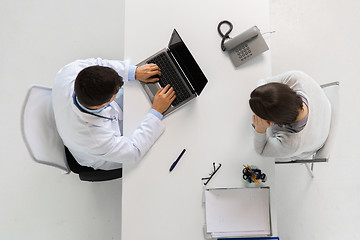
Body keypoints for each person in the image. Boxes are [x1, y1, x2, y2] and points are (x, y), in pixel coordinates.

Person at [52, 58, 176, 170]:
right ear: (102, 104)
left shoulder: (69, 71)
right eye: (116, 92)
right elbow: (133, 151)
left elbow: (99, 64)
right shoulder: (95, 138)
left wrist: (135, 72)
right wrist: (156, 111)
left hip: (75, 128)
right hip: (100, 155)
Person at [249, 71, 331, 161]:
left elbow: (261, 150)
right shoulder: (297, 78)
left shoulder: (292, 143)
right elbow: (263, 81)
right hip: (322, 108)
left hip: (312, 143)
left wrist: (260, 129)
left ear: (274, 122)